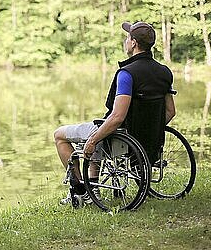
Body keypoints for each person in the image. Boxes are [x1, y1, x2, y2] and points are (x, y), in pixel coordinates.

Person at [53, 21, 176, 205]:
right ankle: (92, 188)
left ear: (133, 43)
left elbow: (117, 117)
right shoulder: (164, 72)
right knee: (100, 127)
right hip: (147, 138)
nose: (126, 41)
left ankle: (81, 189)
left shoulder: (127, 74)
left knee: (60, 135)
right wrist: (150, 127)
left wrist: (92, 141)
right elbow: (170, 112)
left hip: (121, 135)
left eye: (128, 38)